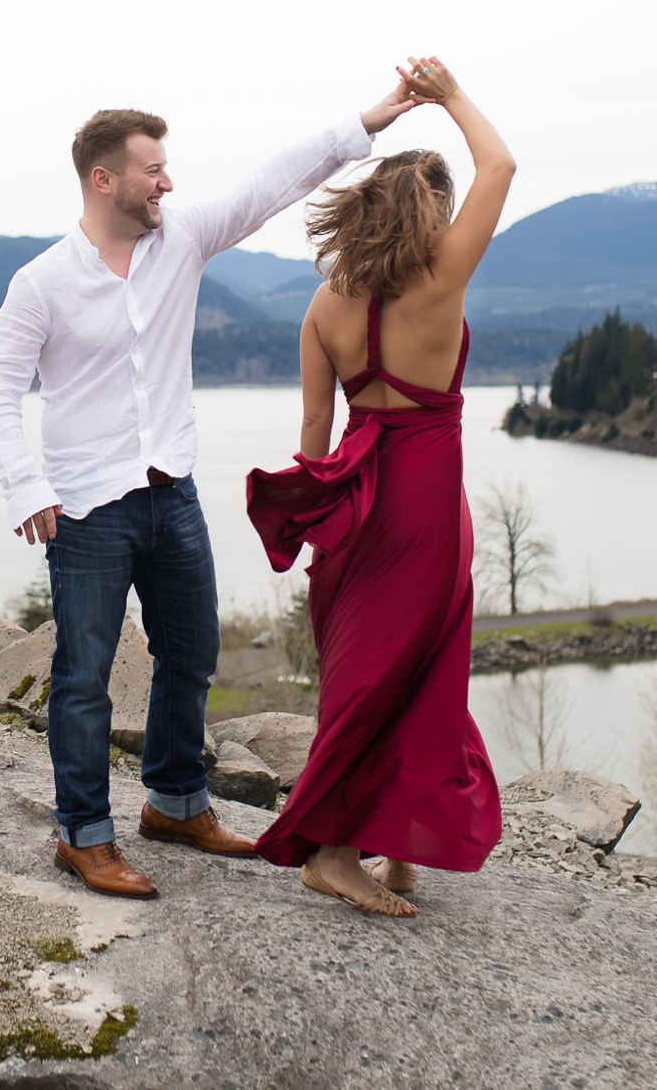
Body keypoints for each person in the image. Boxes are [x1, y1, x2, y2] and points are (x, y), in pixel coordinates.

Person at [0, 78, 427, 900]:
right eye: (153, 170)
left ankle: (176, 803)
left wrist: (365, 121)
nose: (169, 183)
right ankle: (83, 835)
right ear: (104, 179)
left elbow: (268, 186)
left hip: (169, 491)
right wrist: (24, 484)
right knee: (84, 675)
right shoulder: (41, 283)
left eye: (168, 168)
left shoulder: (179, 242)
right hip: (85, 507)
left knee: (192, 652)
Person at [245, 56, 513, 917]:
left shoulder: (325, 306)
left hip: (357, 507)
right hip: (429, 504)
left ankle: (398, 848)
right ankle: (330, 850)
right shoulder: (441, 283)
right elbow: (500, 166)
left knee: (370, 675)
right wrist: (452, 96)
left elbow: (313, 441)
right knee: (424, 673)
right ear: (429, 216)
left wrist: (321, 536)